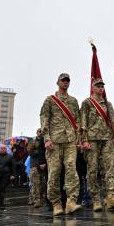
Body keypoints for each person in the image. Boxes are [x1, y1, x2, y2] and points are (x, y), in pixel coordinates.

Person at [40, 73, 82, 215]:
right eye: (63, 80)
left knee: (71, 169)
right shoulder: (50, 100)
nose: (66, 83)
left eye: (67, 81)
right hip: (55, 141)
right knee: (54, 172)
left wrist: (79, 138)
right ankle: (56, 203)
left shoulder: (73, 101)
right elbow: (44, 118)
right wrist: (46, 138)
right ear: (57, 82)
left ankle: (71, 201)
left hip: (70, 140)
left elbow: (78, 121)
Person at [81, 79, 114, 211]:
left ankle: (110, 196)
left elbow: (113, 119)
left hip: (107, 139)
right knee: (92, 170)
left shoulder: (107, 103)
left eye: (102, 86)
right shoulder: (87, 103)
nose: (100, 88)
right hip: (92, 140)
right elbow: (83, 122)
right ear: (93, 88)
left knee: (110, 167)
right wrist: (84, 140)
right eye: (98, 86)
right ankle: (95, 199)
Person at [29, 129, 49, 207]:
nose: (41, 133)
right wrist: (40, 151)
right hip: (35, 165)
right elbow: (30, 152)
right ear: (36, 133)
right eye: (39, 131)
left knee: (44, 184)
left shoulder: (46, 140)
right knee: (35, 184)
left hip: (45, 165)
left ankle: (42, 199)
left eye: (42, 131)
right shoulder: (33, 142)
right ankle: (36, 200)